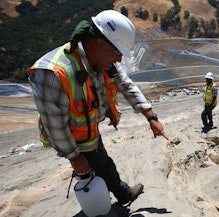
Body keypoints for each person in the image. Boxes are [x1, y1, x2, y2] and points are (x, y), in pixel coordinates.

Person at [28, 10, 168, 206]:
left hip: (89, 130)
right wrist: (74, 157)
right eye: (117, 52)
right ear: (97, 42)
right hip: (71, 138)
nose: (119, 60)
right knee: (93, 169)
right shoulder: (52, 73)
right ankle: (116, 198)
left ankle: (117, 192)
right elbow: (55, 126)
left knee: (102, 164)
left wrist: (151, 117)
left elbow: (126, 85)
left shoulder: (103, 61)